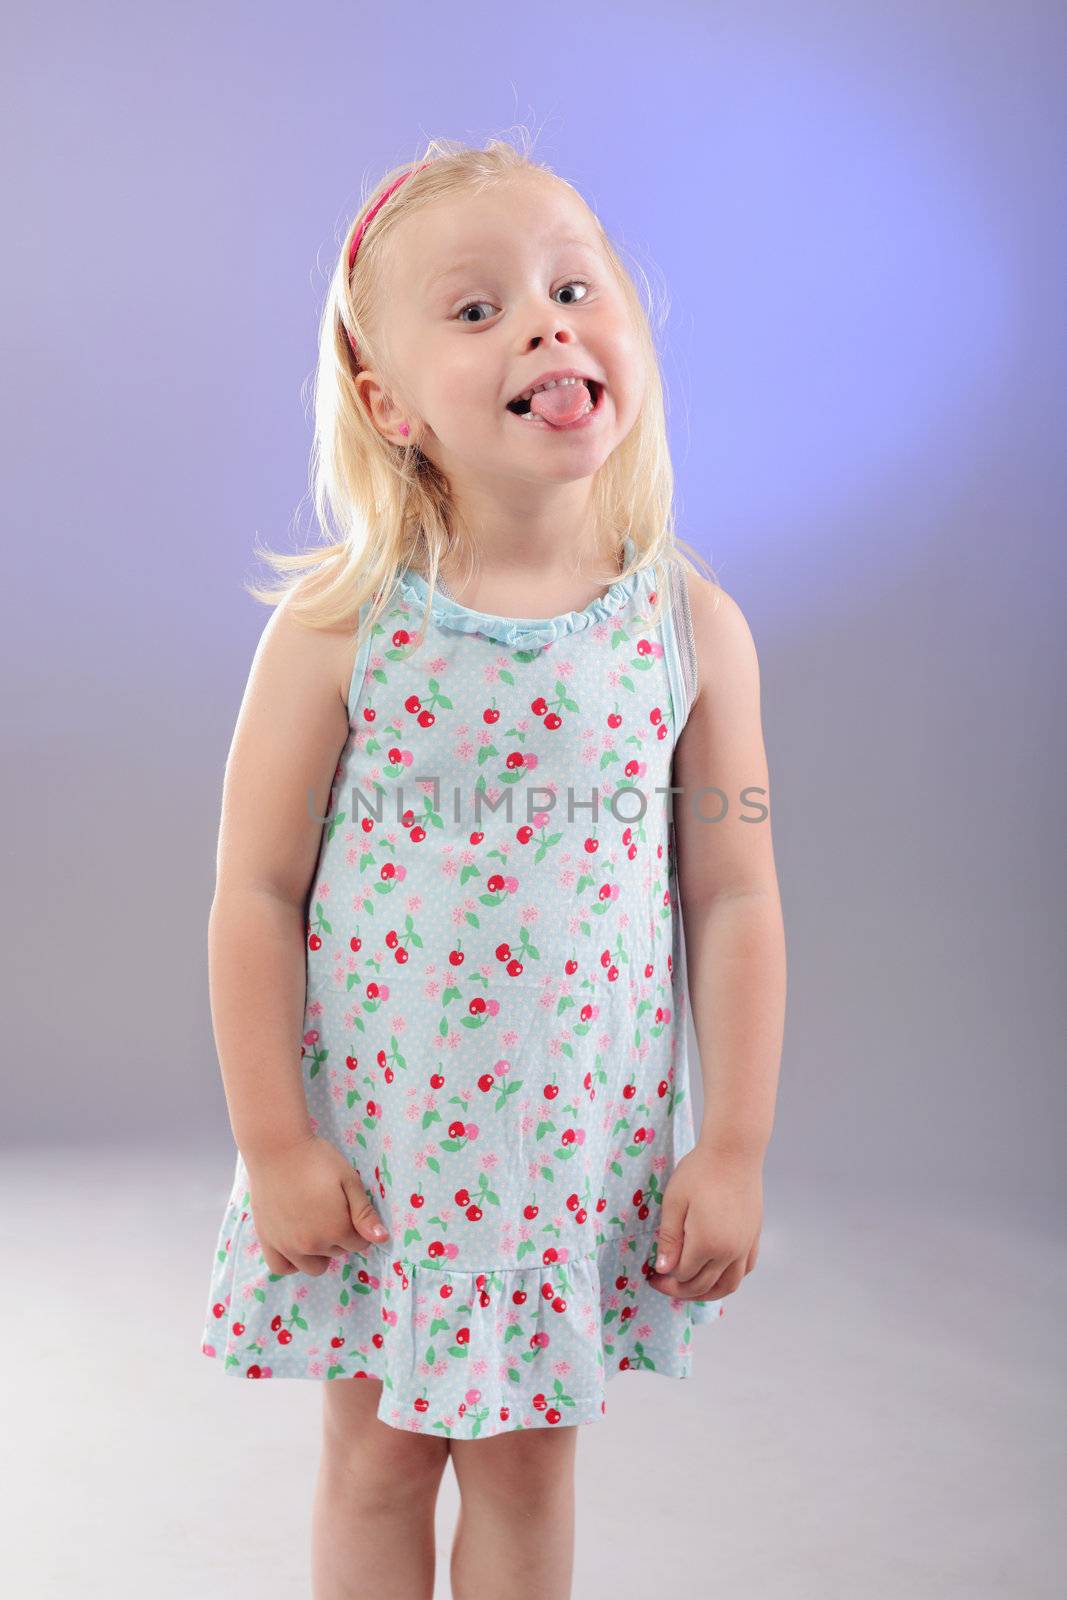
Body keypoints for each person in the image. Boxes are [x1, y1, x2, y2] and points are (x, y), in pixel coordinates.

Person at [199, 132, 786, 1600]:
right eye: (478, 309)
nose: (545, 322)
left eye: (575, 287)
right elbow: (255, 894)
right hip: (383, 1153)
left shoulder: (689, 629)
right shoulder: (345, 627)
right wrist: (277, 1143)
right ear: (388, 403)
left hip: (568, 1158)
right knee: (379, 1456)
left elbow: (734, 894)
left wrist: (734, 1145)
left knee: (530, 1467)